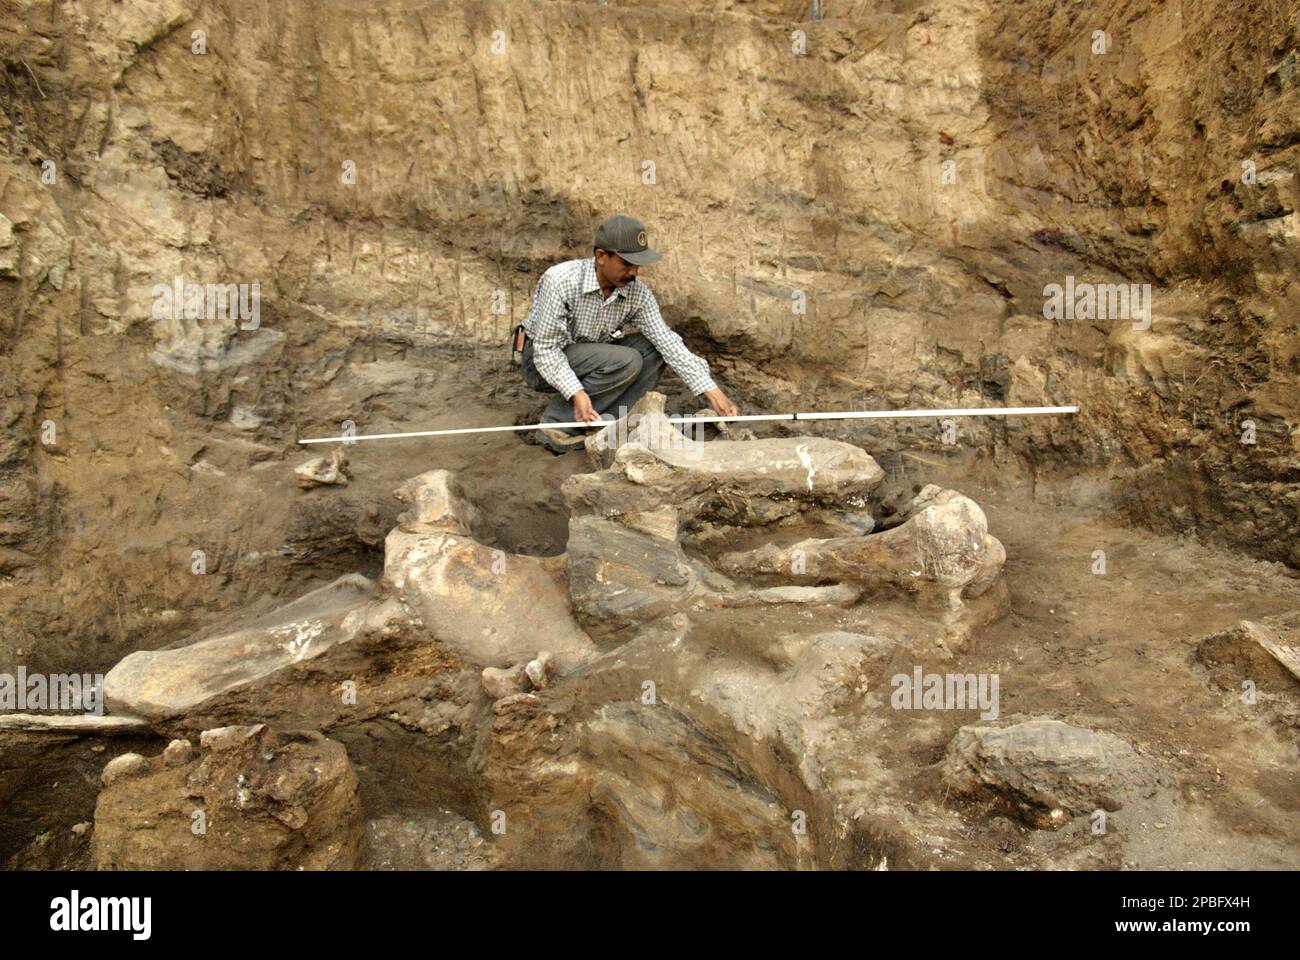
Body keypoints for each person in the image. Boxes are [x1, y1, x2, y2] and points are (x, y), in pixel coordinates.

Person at [516, 214, 739, 453]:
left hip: (592, 361)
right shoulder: (560, 281)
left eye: (637, 265)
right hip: (539, 362)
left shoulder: (636, 294)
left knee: (652, 349)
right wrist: (576, 393)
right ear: (601, 256)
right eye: (626, 264)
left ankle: (609, 425)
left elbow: (667, 341)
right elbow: (546, 351)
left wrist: (712, 391)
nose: (633, 272)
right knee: (625, 360)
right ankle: (557, 429)